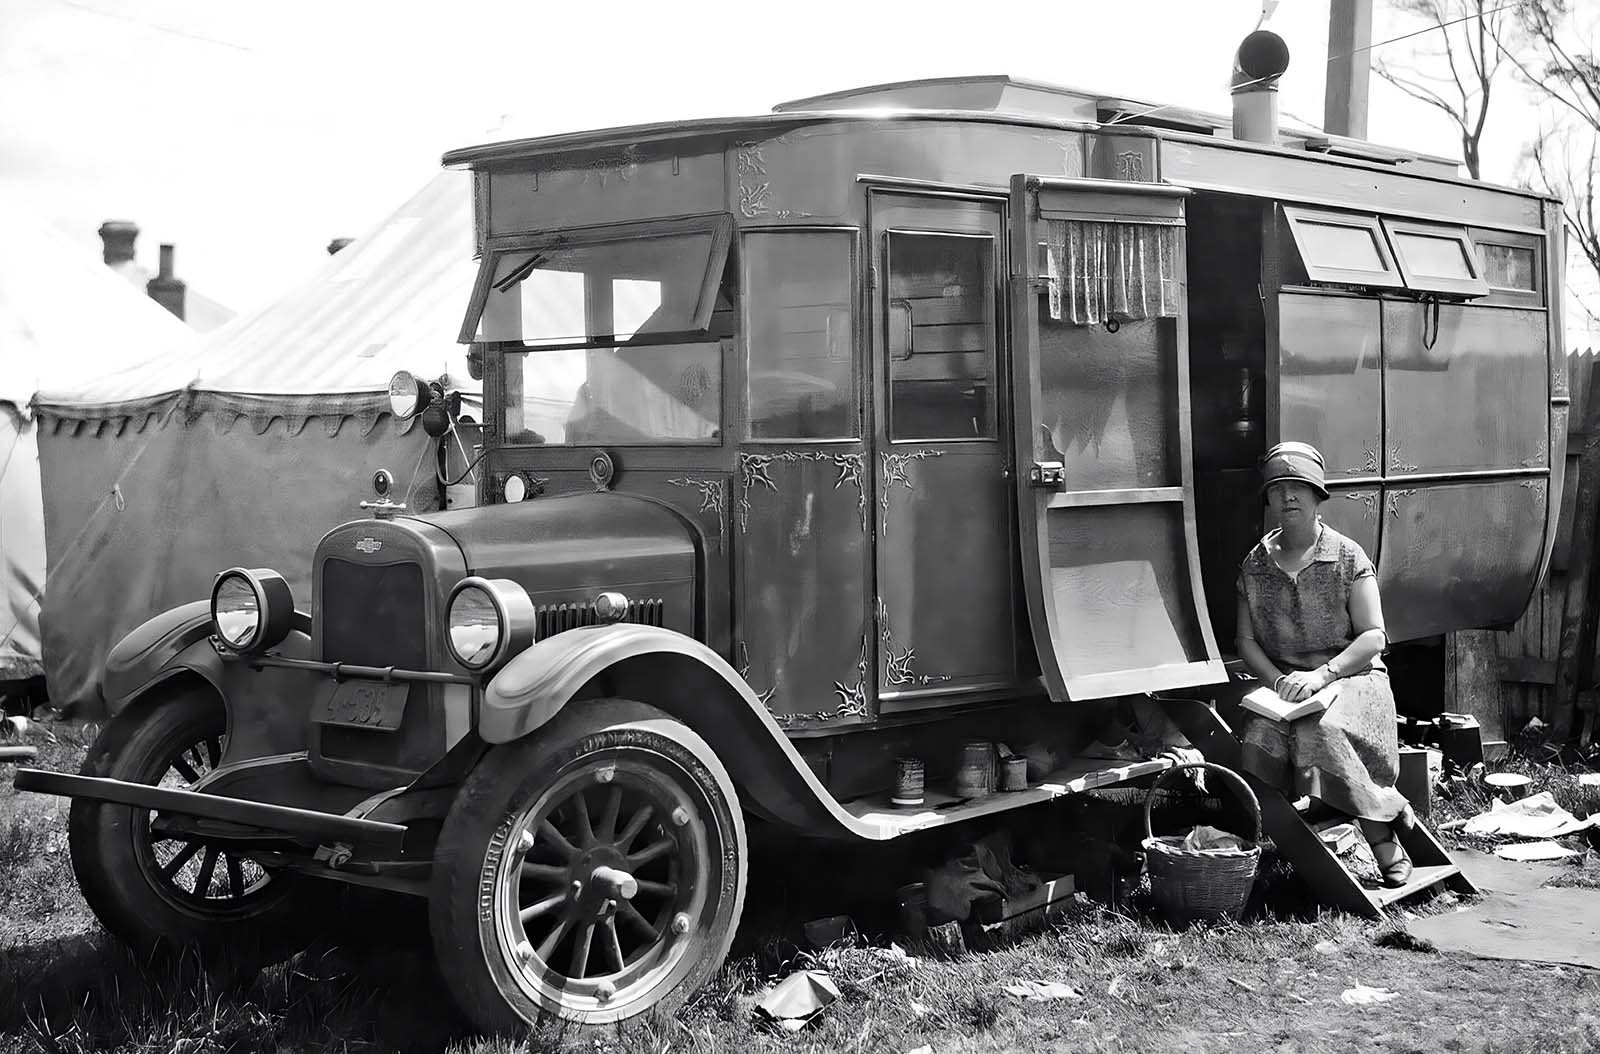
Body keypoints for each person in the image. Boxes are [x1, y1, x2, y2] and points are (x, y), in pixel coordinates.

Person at [1234, 441, 1416, 886]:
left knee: (1325, 730)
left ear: (1318, 496)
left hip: (1353, 678)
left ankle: (1383, 840)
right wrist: (1278, 681)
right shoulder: (1254, 565)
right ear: (1269, 500)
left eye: (1298, 488)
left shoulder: (1349, 556)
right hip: (1289, 688)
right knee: (1259, 736)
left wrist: (1321, 676)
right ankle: (1279, 850)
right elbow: (1245, 641)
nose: (1288, 498)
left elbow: (1374, 636)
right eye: (1278, 489)